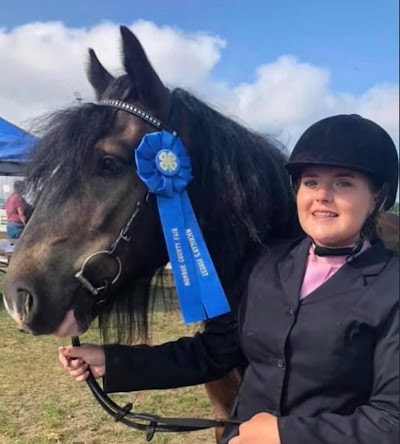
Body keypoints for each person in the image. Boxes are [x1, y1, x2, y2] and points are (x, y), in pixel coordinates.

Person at [59, 114, 399, 444]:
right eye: (311, 182)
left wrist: (286, 435)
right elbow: (215, 353)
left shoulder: (391, 287)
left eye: (343, 183)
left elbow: (391, 419)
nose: (322, 195)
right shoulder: (267, 263)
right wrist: (114, 361)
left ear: (376, 198)